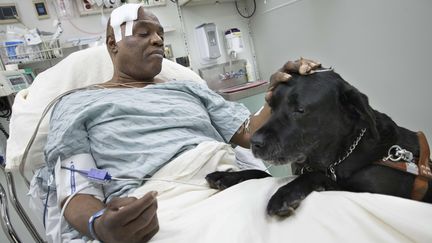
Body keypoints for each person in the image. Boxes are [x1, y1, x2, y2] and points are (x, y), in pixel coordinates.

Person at [42, 3, 320, 243]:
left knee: (327, 217)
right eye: (143, 33)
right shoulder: (76, 104)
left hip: (231, 183)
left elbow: (249, 134)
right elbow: (76, 190)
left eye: (160, 35)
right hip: (159, 206)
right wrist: (100, 224)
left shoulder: (188, 90)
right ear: (113, 43)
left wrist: (279, 94)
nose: (157, 41)